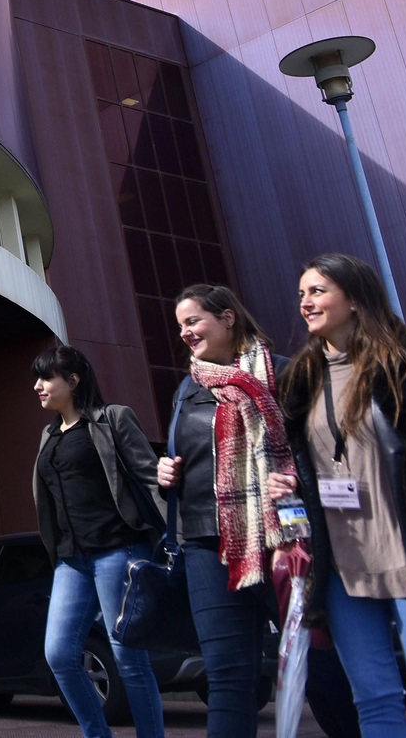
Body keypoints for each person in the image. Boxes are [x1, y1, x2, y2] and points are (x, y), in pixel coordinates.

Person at [276, 254, 406, 738]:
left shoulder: (404, 362)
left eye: (317, 291)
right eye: (301, 295)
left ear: (355, 298)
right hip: (341, 563)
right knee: (374, 700)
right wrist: (289, 480)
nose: (305, 303)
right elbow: (301, 460)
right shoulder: (301, 379)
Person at [157, 284, 296, 738]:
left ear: (227, 318)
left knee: (320, 661)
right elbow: (189, 454)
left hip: (280, 538)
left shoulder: (281, 374)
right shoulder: (187, 387)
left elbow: (315, 454)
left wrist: (298, 483)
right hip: (205, 544)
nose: (185, 332)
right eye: (180, 325)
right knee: (228, 678)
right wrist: (166, 470)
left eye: (193, 320)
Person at [31, 346, 165, 738]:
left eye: (46, 378)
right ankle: (97, 733)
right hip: (71, 560)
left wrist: (181, 533)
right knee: (58, 654)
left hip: (118, 551)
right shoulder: (49, 434)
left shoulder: (112, 420)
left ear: (73, 382)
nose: (37, 386)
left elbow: (149, 476)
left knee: (129, 660)